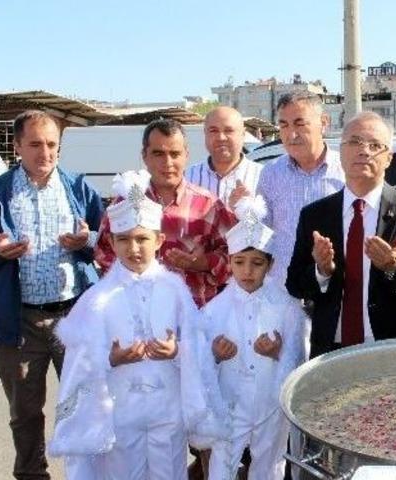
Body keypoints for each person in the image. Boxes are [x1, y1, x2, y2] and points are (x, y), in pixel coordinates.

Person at [48, 170, 227, 480]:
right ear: (112, 243)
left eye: (142, 238)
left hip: (166, 414)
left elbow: (196, 347)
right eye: (124, 240)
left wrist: (177, 351)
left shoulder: (175, 291)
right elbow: (79, 364)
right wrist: (110, 358)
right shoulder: (98, 299)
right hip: (121, 416)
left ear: (158, 240)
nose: (134, 248)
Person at [0, 110, 104, 480]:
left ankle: (87, 473)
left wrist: (86, 242)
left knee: (86, 405)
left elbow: (106, 243)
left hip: (74, 316)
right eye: (36, 144)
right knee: (25, 413)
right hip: (19, 321)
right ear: (17, 146)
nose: (46, 153)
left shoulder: (77, 188)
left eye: (52, 144)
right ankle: (31, 474)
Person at [286, 111, 396, 357]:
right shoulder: (315, 215)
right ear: (341, 152)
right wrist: (321, 271)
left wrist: (395, 266)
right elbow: (294, 284)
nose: (364, 151)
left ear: (389, 158)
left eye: (375, 145)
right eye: (354, 142)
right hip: (331, 351)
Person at [200, 195, 307, 480]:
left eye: (256, 263)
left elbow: (298, 356)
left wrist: (278, 353)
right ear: (230, 262)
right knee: (222, 463)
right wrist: (215, 354)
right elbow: (199, 360)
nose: (247, 271)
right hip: (229, 400)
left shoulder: (287, 307)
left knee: (269, 464)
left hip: (268, 400)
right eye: (240, 262)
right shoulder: (213, 310)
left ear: (270, 264)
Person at [95, 118, 236, 308]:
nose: (168, 162)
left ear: (186, 155)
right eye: (158, 153)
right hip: (138, 319)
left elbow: (237, 258)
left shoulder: (209, 206)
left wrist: (202, 263)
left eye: (175, 154)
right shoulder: (125, 203)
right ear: (145, 156)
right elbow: (103, 253)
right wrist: (135, 271)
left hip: (195, 319)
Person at [256, 92, 345, 286]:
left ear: (323, 122)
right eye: (283, 125)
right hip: (283, 290)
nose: (291, 134)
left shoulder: (346, 170)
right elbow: (261, 232)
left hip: (336, 289)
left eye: (299, 123)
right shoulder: (271, 173)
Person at [185, 106, 262, 208]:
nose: (221, 137)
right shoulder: (187, 178)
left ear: (243, 134)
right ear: (205, 133)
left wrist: (244, 212)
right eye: (213, 131)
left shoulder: (263, 177)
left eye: (228, 130)